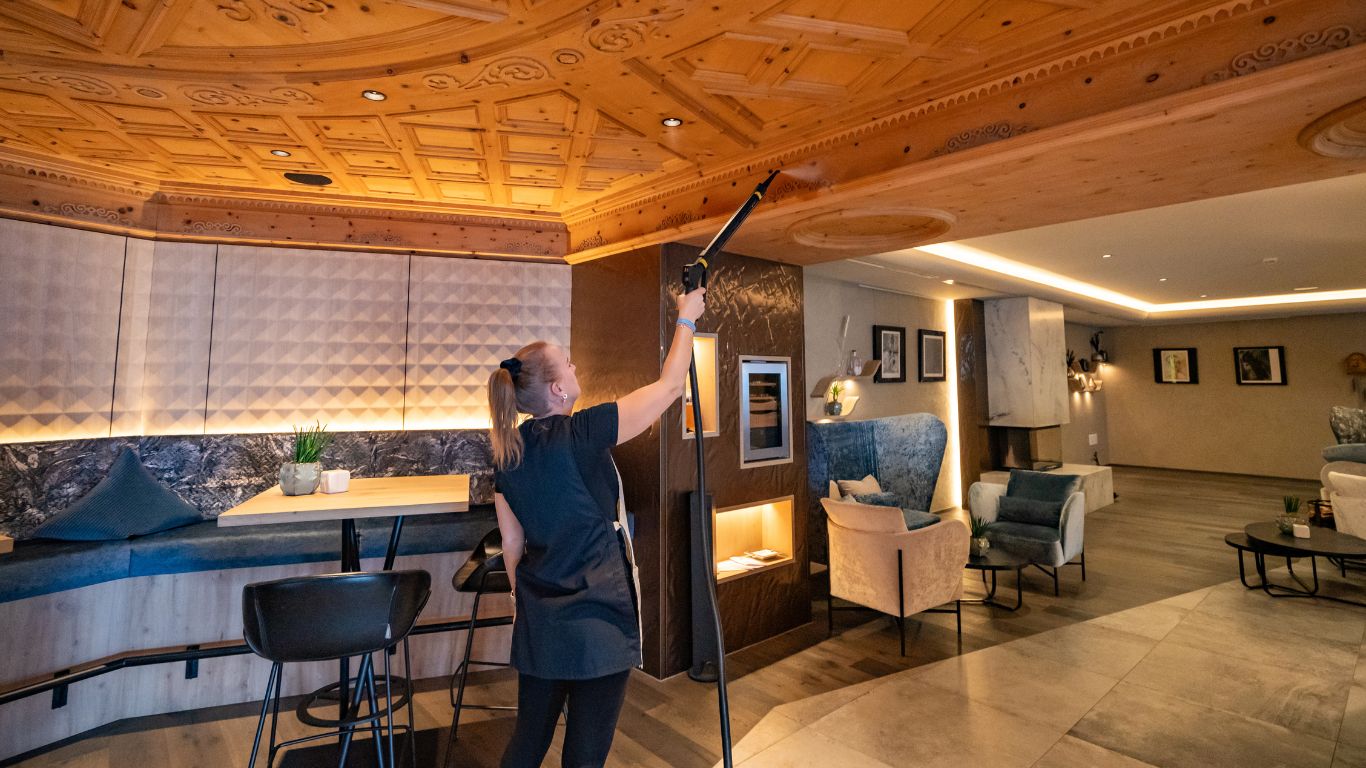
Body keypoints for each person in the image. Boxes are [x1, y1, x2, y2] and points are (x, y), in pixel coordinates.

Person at [486, 286, 707, 768]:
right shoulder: (584, 432)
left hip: (540, 620)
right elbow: (671, 387)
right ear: (557, 390)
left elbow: (512, 543)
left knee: (527, 742)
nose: (575, 367)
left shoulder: (507, 454)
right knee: (585, 755)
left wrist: (521, 602)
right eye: (567, 363)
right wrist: (687, 318)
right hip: (597, 621)